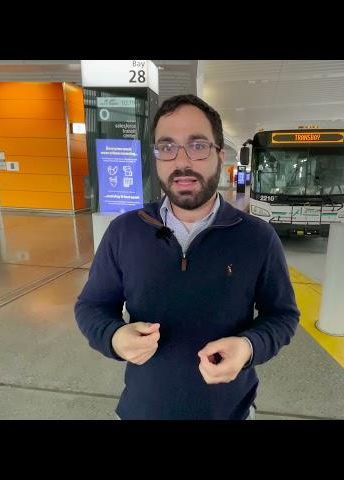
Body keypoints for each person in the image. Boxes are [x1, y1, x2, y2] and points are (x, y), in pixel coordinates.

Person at [74, 94, 300, 420]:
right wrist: (113, 337)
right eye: (167, 147)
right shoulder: (125, 232)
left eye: (197, 146)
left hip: (229, 412)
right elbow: (91, 306)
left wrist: (248, 347)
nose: (182, 162)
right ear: (156, 158)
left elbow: (282, 316)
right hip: (142, 410)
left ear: (220, 155)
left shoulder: (257, 238)